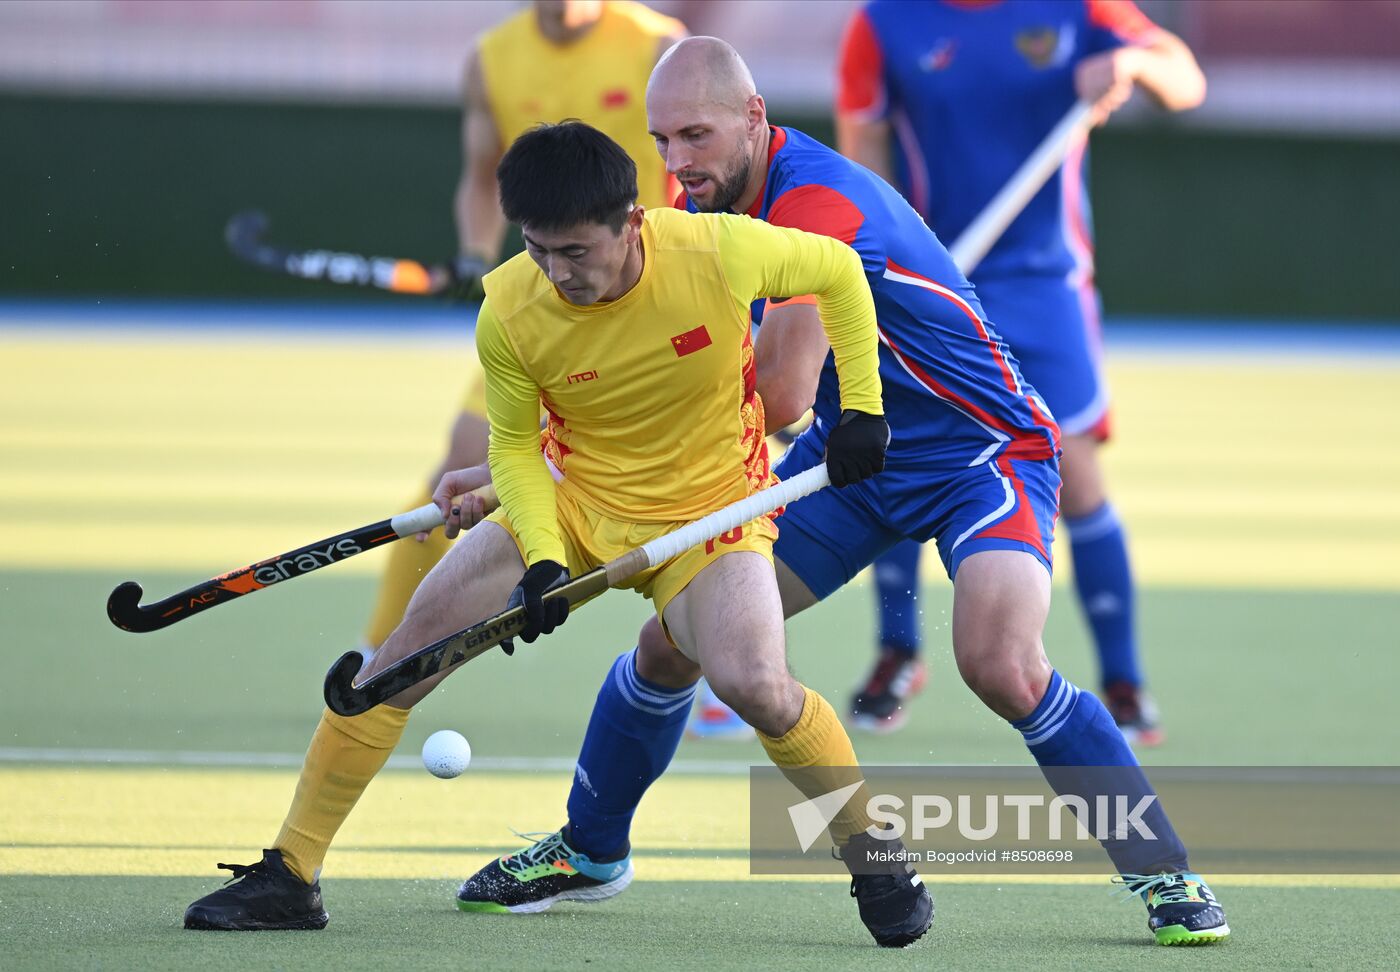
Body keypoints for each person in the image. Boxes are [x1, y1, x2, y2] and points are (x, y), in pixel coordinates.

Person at [453, 37, 1228, 947]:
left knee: (1001, 663)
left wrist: (576, 462)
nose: (676, 164)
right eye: (661, 141)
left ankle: (1164, 871)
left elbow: (775, 392)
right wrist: (541, 457)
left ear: (754, 118)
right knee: (672, 645)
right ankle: (589, 851)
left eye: (695, 136)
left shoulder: (814, 203)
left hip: (979, 454)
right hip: (844, 463)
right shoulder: (686, 206)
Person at [183, 120, 934, 949]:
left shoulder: (717, 250)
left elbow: (836, 271)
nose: (558, 273)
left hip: (712, 517)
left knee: (756, 683)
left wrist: (861, 404)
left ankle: (874, 855)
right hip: (575, 499)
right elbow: (512, 445)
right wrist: (540, 558)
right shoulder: (509, 305)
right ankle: (291, 872)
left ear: (632, 222)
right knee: (397, 659)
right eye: (541, 250)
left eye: (577, 251)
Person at [835, 0, 1208, 743]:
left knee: (1075, 472)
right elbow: (863, 151)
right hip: (935, 273)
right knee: (899, 449)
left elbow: (1185, 81)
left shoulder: (1082, 7)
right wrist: (876, 264)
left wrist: (1132, 64)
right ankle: (898, 653)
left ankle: (1124, 679)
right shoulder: (881, 23)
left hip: (1045, 281)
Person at [359, 0, 687, 668]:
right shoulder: (492, 59)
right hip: (551, 311)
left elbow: (698, 184)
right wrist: (475, 254)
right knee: (450, 478)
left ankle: (714, 669)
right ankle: (378, 659)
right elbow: (482, 178)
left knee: (703, 492)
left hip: (659, 314)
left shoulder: (661, 48)